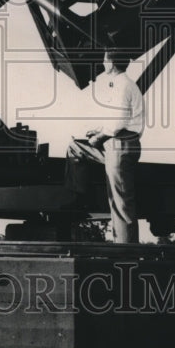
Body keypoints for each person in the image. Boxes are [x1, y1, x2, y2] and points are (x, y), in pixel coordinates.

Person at [65, 48, 145, 242]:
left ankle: (126, 251)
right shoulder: (123, 85)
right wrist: (99, 130)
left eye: (104, 60)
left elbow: (118, 123)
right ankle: (80, 197)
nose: (102, 63)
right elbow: (117, 120)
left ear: (111, 63)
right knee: (75, 147)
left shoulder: (123, 86)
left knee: (120, 202)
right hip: (119, 144)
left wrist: (99, 137)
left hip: (119, 145)